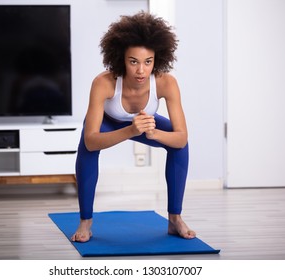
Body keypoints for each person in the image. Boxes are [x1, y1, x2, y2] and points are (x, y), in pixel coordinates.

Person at [72, 11, 196, 242]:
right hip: (110, 123)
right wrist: (131, 130)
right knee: (87, 150)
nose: (141, 71)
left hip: (145, 124)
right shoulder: (104, 82)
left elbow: (181, 138)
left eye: (148, 62)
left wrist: (154, 133)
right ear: (121, 59)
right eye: (133, 62)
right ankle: (86, 221)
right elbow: (91, 139)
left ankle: (175, 219)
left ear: (156, 60)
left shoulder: (166, 83)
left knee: (179, 146)